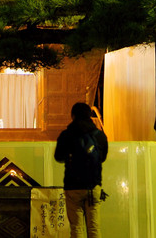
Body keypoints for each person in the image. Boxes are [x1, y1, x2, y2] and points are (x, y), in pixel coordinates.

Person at [54, 102, 108, 238]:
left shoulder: (66, 135)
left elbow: (58, 157)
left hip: (73, 187)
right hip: (93, 186)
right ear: (90, 115)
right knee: (94, 227)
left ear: (72, 116)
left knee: (76, 227)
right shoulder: (100, 136)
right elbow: (102, 158)